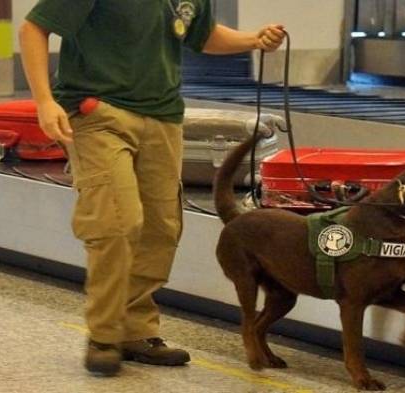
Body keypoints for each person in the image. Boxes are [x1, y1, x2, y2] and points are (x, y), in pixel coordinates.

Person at [19, 0, 286, 376]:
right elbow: (33, 27)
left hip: (163, 117)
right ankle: (104, 334)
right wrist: (44, 102)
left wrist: (253, 39)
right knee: (116, 221)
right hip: (98, 111)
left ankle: (135, 330)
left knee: (161, 228)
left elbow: (202, 34)